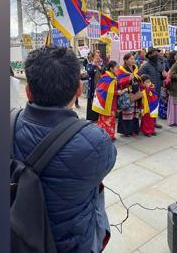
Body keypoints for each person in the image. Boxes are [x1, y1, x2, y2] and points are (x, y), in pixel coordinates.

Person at [13, 46, 117, 252]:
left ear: (28, 92)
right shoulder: (97, 141)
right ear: (79, 89)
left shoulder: (7, 122)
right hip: (71, 243)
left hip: (19, 236)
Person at [93, 61, 128, 141]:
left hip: (111, 102)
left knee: (110, 120)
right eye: (116, 67)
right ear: (111, 68)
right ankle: (106, 136)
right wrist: (117, 92)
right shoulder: (107, 78)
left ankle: (110, 135)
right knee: (106, 120)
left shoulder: (112, 77)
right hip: (106, 103)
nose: (118, 69)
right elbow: (103, 90)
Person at [140, 47, 168, 128]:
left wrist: (164, 76)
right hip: (149, 91)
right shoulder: (145, 66)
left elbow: (161, 76)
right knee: (148, 108)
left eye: (157, 52)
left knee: (155, 107)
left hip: (158, 89)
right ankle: (146, 125)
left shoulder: (159, 64)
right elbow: (141, 77)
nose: (156, 54)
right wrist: (147, 84)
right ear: (149, 55)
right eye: (154, 53)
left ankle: (154, 122)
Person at [117, 53, 142, 137]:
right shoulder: (121, 69)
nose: (132, 60)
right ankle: (126, 131)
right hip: (127, 94)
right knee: (127, 112)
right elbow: (119, 82)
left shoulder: (135, 68)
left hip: (135, 93)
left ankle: (134, 130)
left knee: (135, 112)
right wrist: (128, 79)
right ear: (126, 60)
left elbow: (139, 78)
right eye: (130, 59)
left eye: (133, 59)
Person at [86, 52, 102, 121]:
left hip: (100, 87)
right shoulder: (89, 65)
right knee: (92, 101)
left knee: (98, 102)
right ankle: (91, 118)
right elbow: (90, 72)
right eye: (96, 56)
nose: (98, 57)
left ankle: (98, 117)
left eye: (99, 56)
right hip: (92, 87)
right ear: (93, 57)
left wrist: (99, 67)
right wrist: (93, 65)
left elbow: (104, 72)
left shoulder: (101, 64)